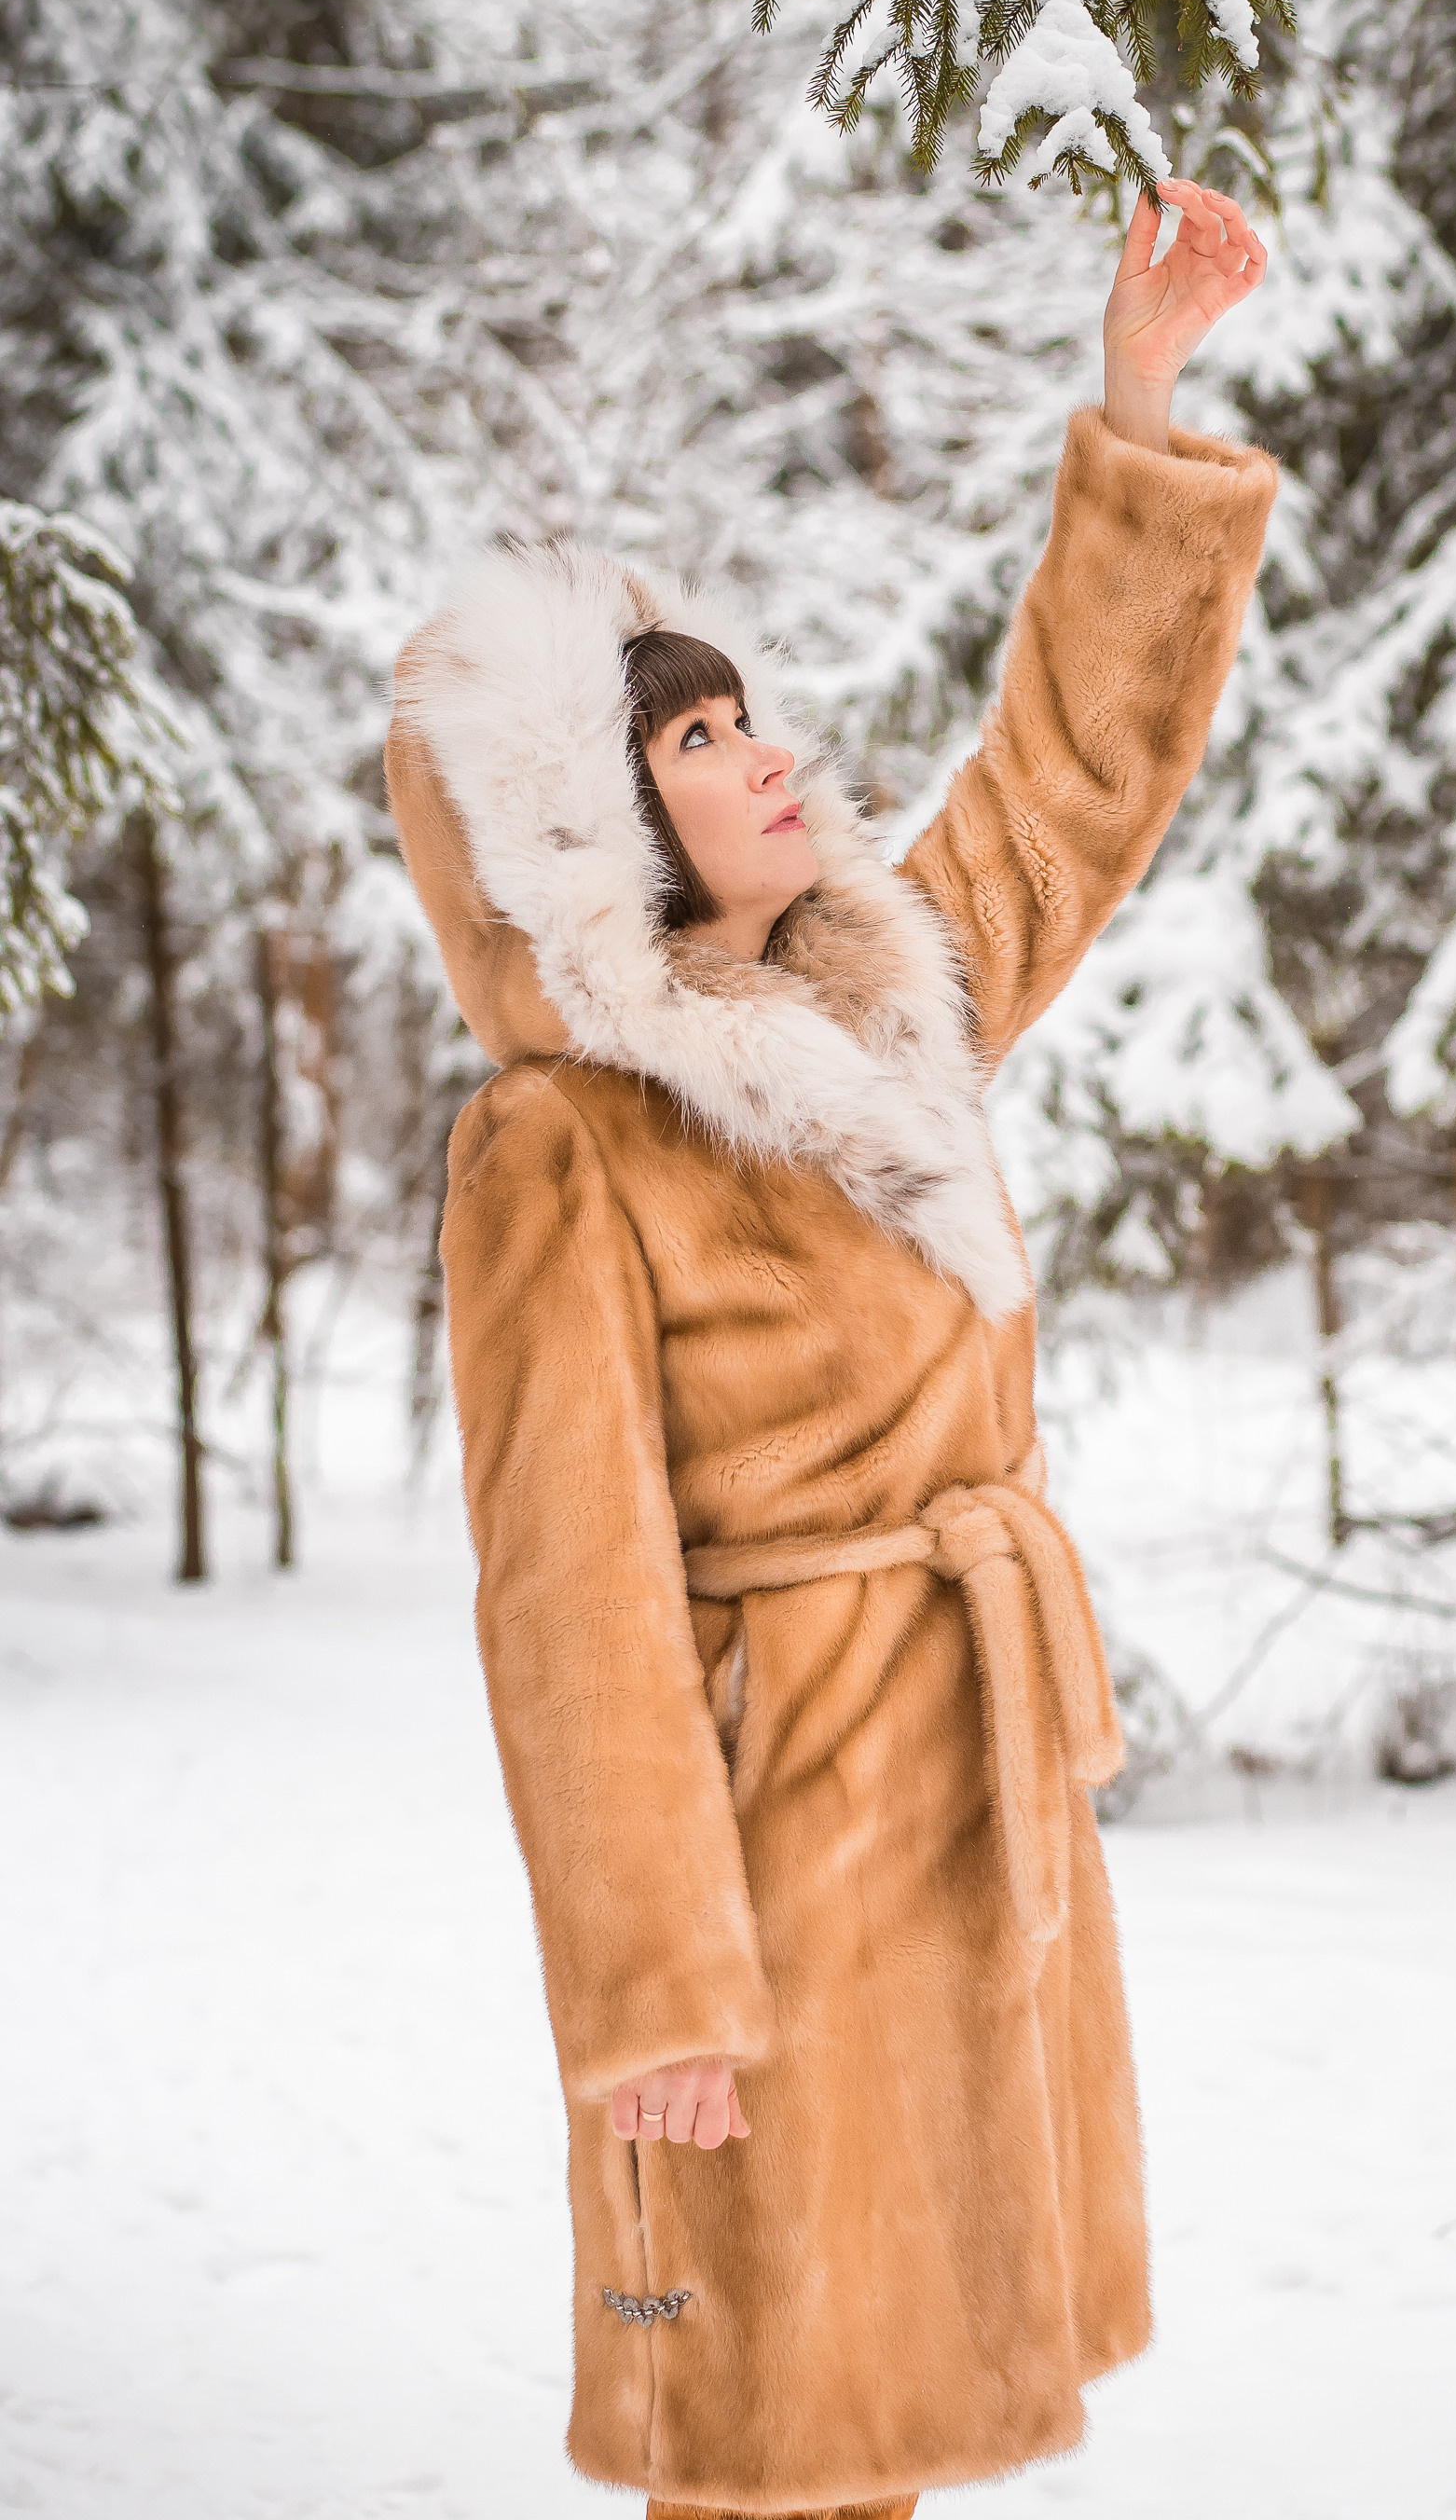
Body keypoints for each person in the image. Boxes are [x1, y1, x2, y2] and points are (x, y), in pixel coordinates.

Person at [385, 180, 1273, 2518]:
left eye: (745, 707)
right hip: (760, 1858)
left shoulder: (889, 1004)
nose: (761, 748)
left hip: (959, 1804)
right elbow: (566, 1600)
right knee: (756, 2420)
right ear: (588, 835)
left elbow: (1070, 785)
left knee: (891, 2418)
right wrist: (651, 1983)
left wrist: (1139, 401)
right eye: (691, 740)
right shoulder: (561, 1145)